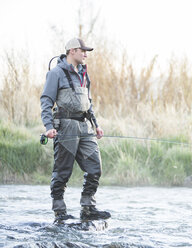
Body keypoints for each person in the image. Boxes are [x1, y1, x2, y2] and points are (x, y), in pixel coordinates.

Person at [40, 38, 110, 222]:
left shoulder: (84, 74)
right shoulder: (56, 73)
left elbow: (88, 103)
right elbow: (46, 101)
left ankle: (88, 207)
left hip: (85, 127)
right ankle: (59, 212)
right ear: (72, 51)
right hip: (65, 126)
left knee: (95, 168)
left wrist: (96, 125)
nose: (86, 54)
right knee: (63, 171)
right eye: (83, 51)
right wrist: (48, 127)